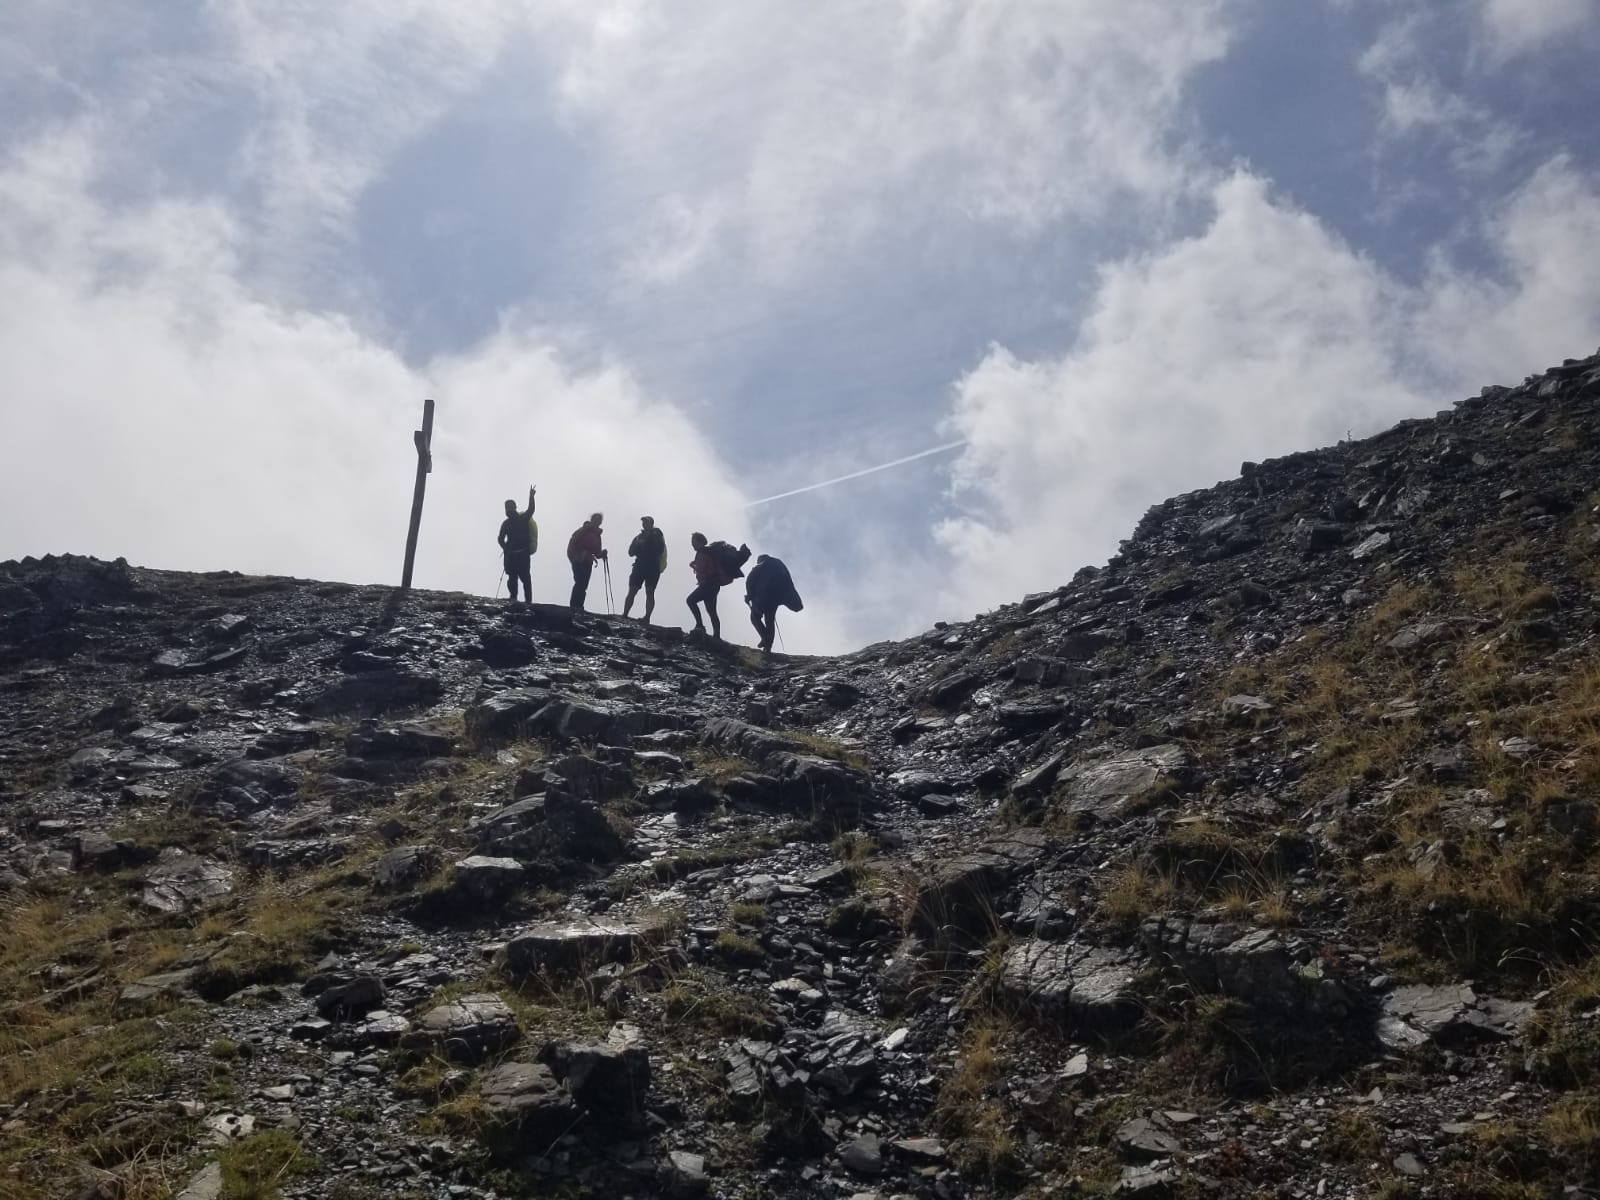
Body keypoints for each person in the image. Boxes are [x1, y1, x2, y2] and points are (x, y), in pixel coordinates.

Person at [687, 533, 749, 640]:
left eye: (694, 542)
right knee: (711, 611)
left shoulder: (703, 553)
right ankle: (717, 635)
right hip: (714, 585)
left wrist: (694, 566)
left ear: (700, 542)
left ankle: (700, 625)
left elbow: (704, 569)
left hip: (708, 584)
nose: (692, 544)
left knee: (691, 600)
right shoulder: (709, 552)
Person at [745, 554, 803, 653]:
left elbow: (750, 579)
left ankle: (765, 639)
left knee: (754, 617)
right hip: (777, 597)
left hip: (765, 595)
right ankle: (768, 646)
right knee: (769, 619)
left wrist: (749, 596)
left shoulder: (762, 565)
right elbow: (789, 582)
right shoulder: (779, 564)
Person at [622, 516, 667, 624]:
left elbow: (659, 549)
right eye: (643, 522)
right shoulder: (639, 537)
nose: (644, 524)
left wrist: (644, 543)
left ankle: (646, 617)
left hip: (651, 567)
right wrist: (639, 545)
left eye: (646, 522)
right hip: (642, 566)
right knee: (633, 590)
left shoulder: (657, 535)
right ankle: (625, 614)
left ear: (651, 523)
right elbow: (630, 552)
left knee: (649, 592)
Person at [496, 485, 537, 604]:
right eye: (507, 507)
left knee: (517, 578)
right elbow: (531, 510)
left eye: (509, 507)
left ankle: (517, 599)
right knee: (522, 578)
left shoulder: (508, 522)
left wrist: (506, 548)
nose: (508, 509)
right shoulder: (521, 519)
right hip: (520, 554)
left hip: (514, 555)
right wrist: (531, 496)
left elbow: (500, 539)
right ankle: (525, 601)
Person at [566, 512, 607, 612]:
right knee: (580, 581)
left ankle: (578, 606)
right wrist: (573, 557)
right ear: (592, 520)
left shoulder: (597, 535)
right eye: (596, 519)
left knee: (583, 584)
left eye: (599, 520)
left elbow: (597, 552)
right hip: (579, 558)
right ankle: (575, 606)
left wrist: (602, 554)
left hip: (587, 561)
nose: (597, 522)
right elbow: (573, 542)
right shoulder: (584, 530)